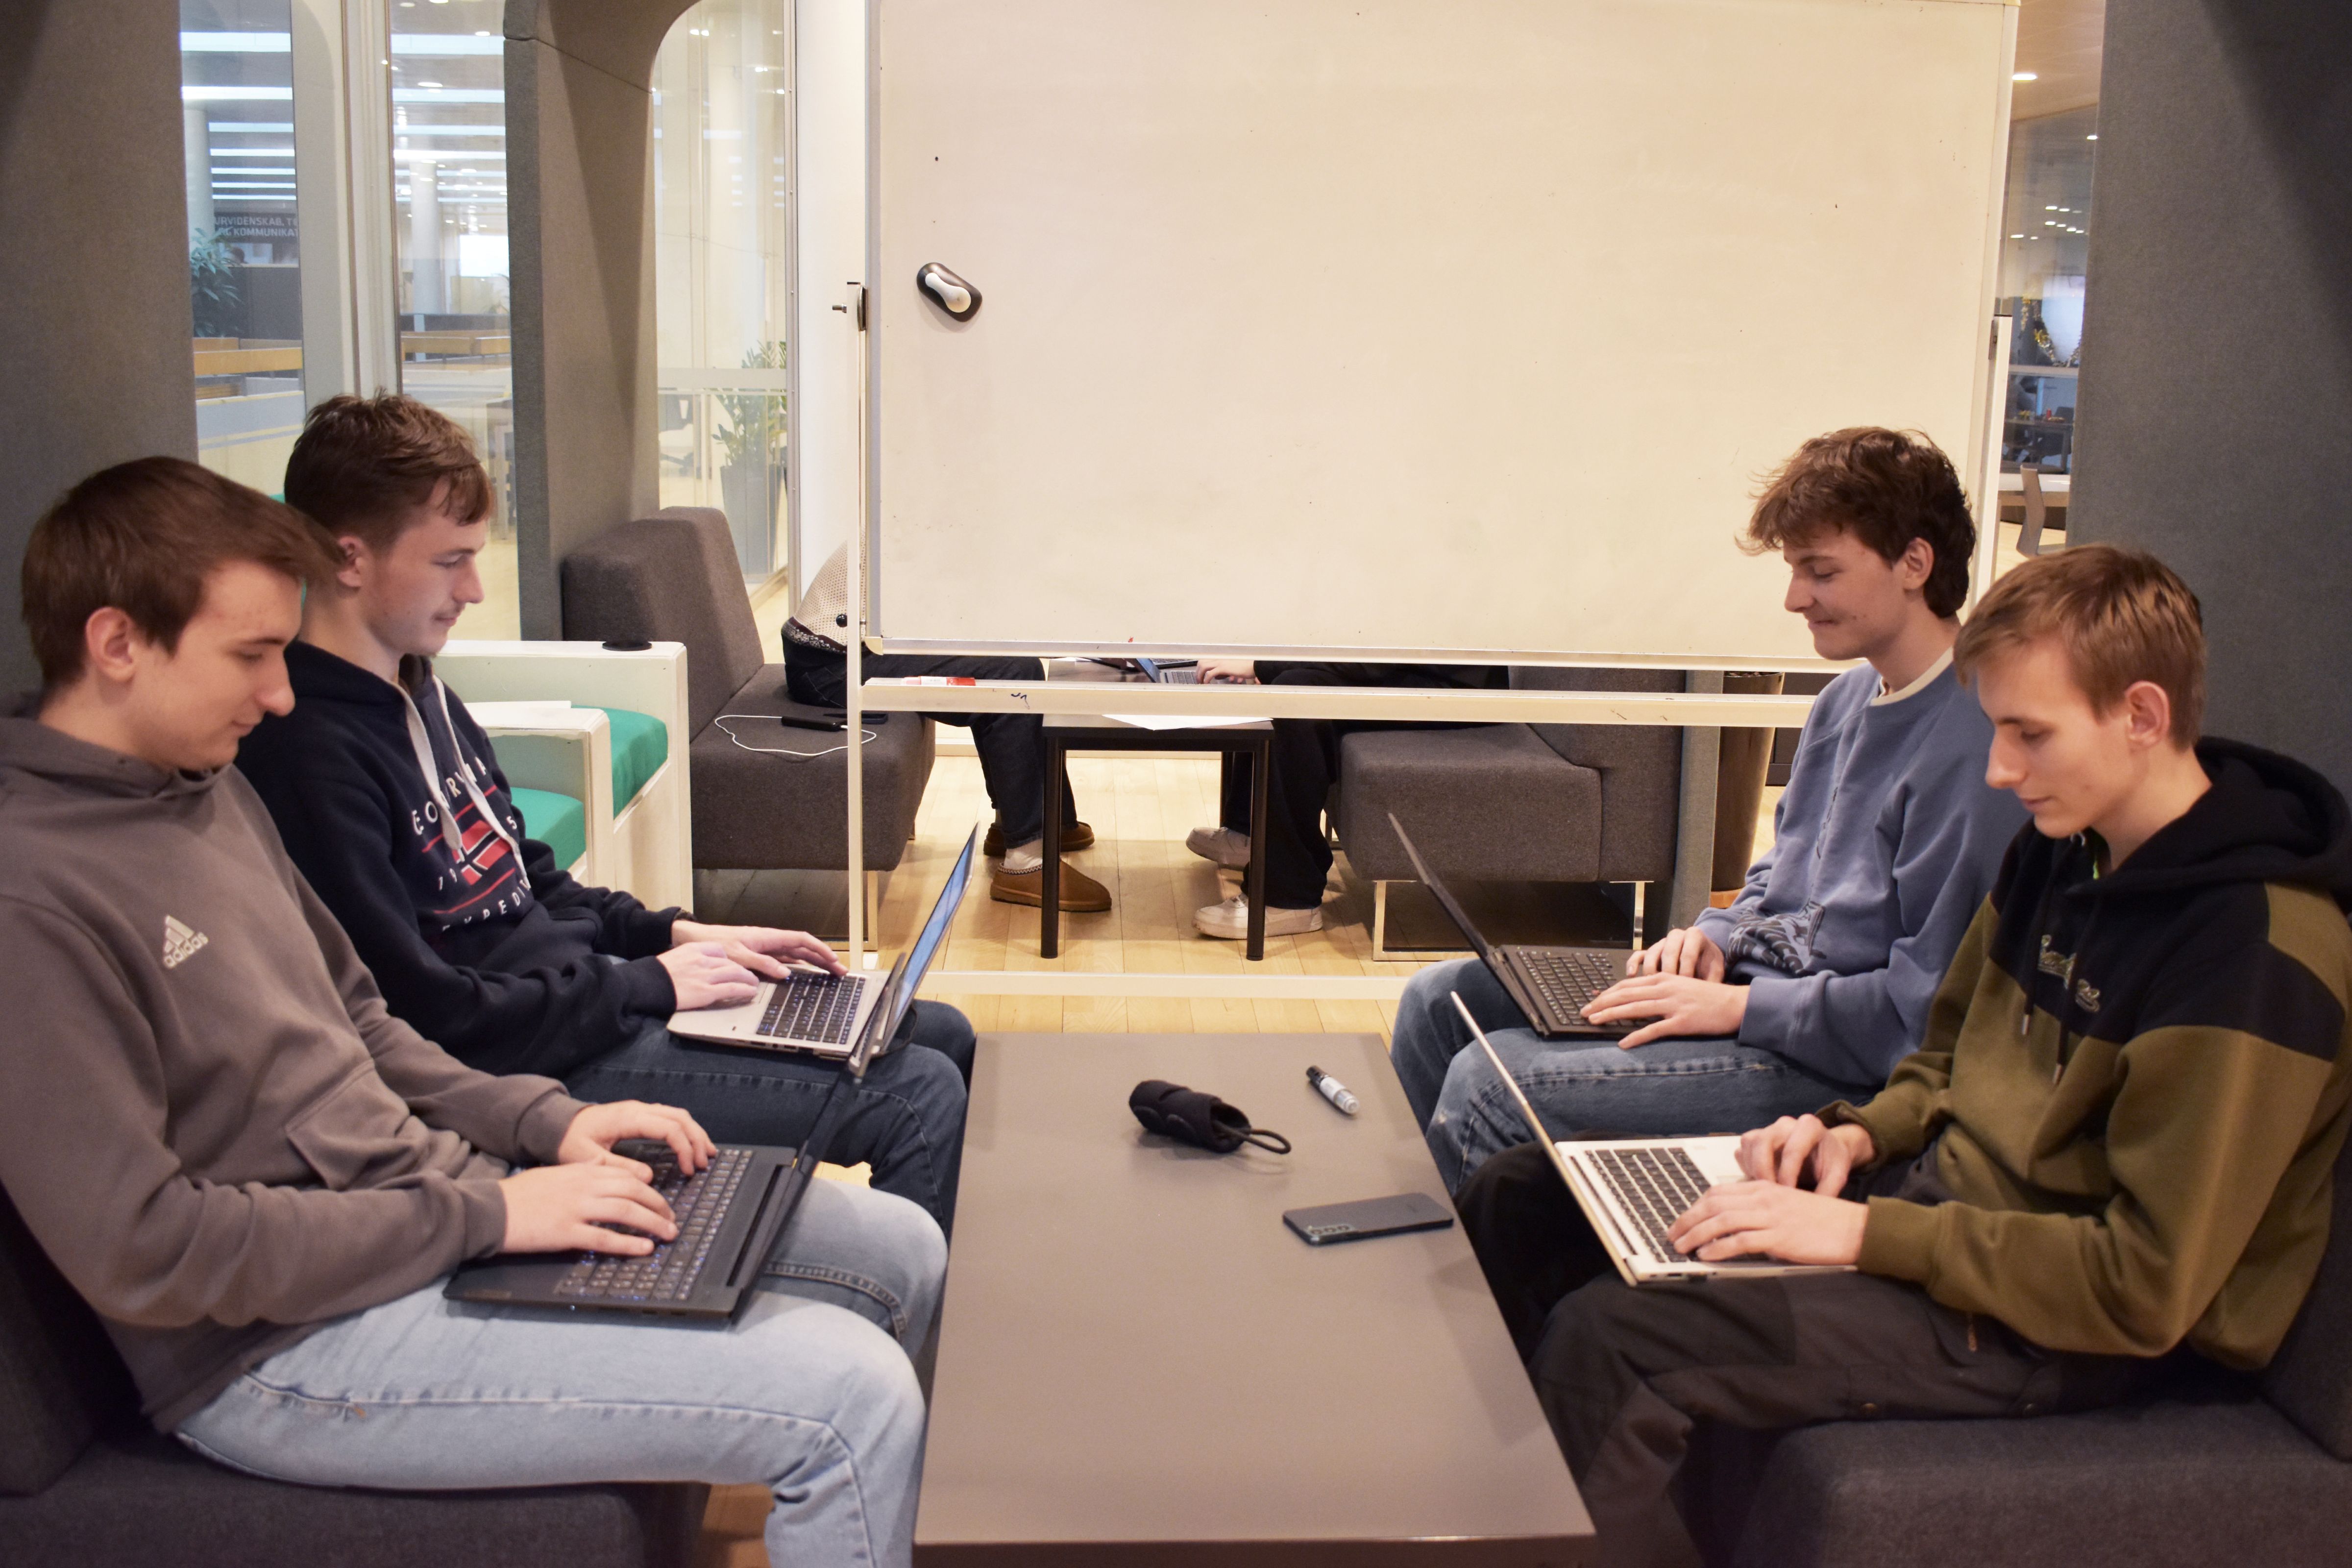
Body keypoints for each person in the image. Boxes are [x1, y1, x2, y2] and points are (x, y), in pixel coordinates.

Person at [0, 457, 943, 1568]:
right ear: (117, 643)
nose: (282, 695)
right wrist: (488, 1218)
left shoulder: (208, 789)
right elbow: (147, 1249)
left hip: (435, 1206)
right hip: (281, 1349)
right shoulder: (33, 897)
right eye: (251, 655)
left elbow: (367, 1023)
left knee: (899, 1247)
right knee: (851, 1400)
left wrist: (545, 1123)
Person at [1455, 544, 2352, 1567]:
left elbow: (2143, 1286)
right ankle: (1449, 1512)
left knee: (1616, 1341)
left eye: (2029, 734)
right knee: (1524, 1199)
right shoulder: (2062, 850)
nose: (2000, 771)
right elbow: (1942, 1058)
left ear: (2142, 716)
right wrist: (1853, 1136)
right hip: (1938, 1212)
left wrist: (1861, 1232)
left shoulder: (2255, 953)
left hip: (2052, 1321)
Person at [233, 396, 968, 1229]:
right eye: (450, 562)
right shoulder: (307, 754)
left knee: (935, 1031)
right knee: (917, 1097)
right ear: (349, 559)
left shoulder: (422, 690)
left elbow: (532, 884)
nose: (475, 588)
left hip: (585, 1002)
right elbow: (429, 1016)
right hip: (533, 1063)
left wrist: (680, 935)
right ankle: (912, 1304)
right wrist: (648, 984)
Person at [1392, 428, 2028, 1190]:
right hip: (1755, 997)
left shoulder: (1979, 748)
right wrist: (1713, 939)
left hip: (1840, 1064)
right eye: (1795, 571)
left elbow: (1920, 1018)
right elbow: (1780, 877)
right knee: (1437, 1002)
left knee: (1491, 1086)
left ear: (1915, 564)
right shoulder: (1846, 700)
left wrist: (1738, 1011)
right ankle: (1402, 1233)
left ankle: (1457, 1265)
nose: (1795, 599)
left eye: (1821, 572)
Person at [784, 542, 1111, 913]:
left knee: (1009, 668)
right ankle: (1026, 860)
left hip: (853, 650)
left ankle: (1027, 823)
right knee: (1015, 674)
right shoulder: (947, 521)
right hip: (833, 667)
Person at [1184, 657, 1507, 938]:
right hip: (1406, 667)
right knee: (1287, 682)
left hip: (1453, 689)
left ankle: (1289, 899)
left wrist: (1262, 665)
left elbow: (1377, 658)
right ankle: (1251, 836)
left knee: (1297, 692)